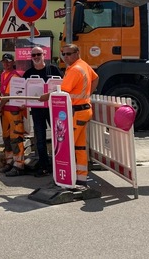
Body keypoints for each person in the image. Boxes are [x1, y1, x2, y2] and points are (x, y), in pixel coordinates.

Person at [41, 44, 98, 187]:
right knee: (79, 147)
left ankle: (64, 179)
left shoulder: (74, 70)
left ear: (77, 53)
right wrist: (87, 96)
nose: (65, 57)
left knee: (65, 146)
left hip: (77, 112)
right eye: (63, 54)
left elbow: (63, 92)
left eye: (68, 54)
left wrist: (45, 96)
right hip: (83, 110)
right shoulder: (83, 65)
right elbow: (95, 78)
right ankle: (81, 178)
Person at [23, 46, 62, 177]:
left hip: (54, 109)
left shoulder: (54, 70)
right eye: (33, 55)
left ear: (44, 54)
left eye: (38, 54)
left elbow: (63, 86)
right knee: (40, 139)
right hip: (37, 110)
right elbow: (23, 91)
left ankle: (61, 164)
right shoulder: (28, 74)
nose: (36, 57)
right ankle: (44, 166)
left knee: (59, 138)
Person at [0, 53, 26, 177]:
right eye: (4, 62)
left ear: (13, 62)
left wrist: (0, 107)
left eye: (8, 62)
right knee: (6, 137)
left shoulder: (15, 76)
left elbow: (8, 95)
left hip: (14, 110)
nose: (6, 64)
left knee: (16, 138)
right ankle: (9, 162)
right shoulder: (4, 74)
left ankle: (19, 164)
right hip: (6, 110)